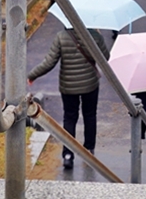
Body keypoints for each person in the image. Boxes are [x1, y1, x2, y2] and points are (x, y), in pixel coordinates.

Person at [28, 27, 108, 169]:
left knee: (69, 118)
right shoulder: (95, 35)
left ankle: (68, 155)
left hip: (68, 86)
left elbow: (49, 62)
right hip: (90, 84)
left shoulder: (61, 36)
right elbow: (105, 58)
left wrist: (32, 75)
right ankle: (89, 150)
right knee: (90, 116)